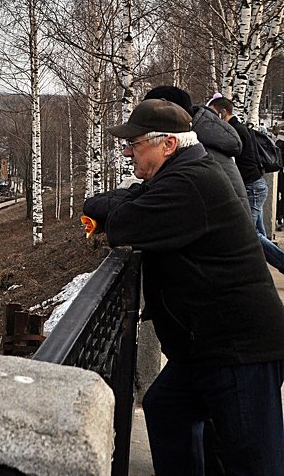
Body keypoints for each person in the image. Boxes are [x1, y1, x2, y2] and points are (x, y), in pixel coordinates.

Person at [81, 98, 284, 474]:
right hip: (207, 343)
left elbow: (126, 223)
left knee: (255, 462)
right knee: (167, 410)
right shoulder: (181, 172)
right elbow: (126, 200)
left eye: (135, 144)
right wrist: (109, 206)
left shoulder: (189, 183)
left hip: (239, 347)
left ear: (168, 144)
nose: (128, 152)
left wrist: (111, 212)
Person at [144, 86, 284, 273]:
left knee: (251, 236)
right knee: (255, 235)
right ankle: (260, 268)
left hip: (252, 185)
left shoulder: (203, 145)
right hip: (252, 185)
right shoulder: (221, 135)